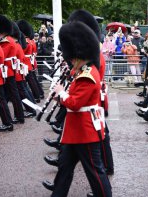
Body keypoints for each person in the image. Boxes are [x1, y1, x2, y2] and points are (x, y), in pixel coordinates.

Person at [42, 21, 112, 197]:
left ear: (80, 55)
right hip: (75, 132)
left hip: (84, 132)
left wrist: (61, 93)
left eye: (73, 57)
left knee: (95, 172)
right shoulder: (82, 71)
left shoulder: (87, 75)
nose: (71, 60)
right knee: (64, 168)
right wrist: (60, 95)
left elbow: (76, 104)